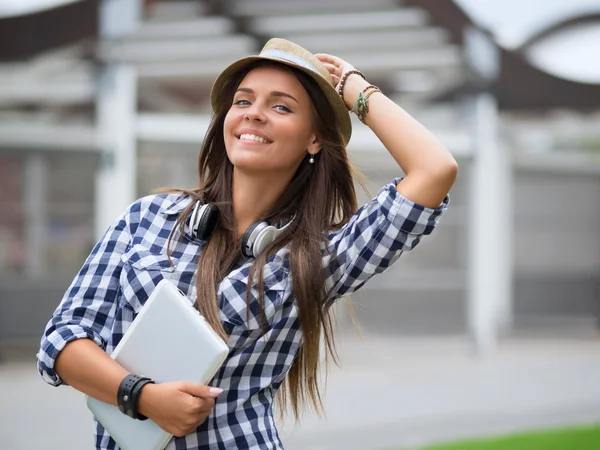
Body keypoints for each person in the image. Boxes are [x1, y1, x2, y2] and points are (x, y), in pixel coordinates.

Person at [37, 38, 457, 450]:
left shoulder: (319, 258)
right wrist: (143, 396)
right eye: (243, 101)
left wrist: (354, 88)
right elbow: (62, 340)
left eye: (280, 106)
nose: (254, 115)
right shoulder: (147, 218)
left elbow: (434, 169)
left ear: (314, 140)